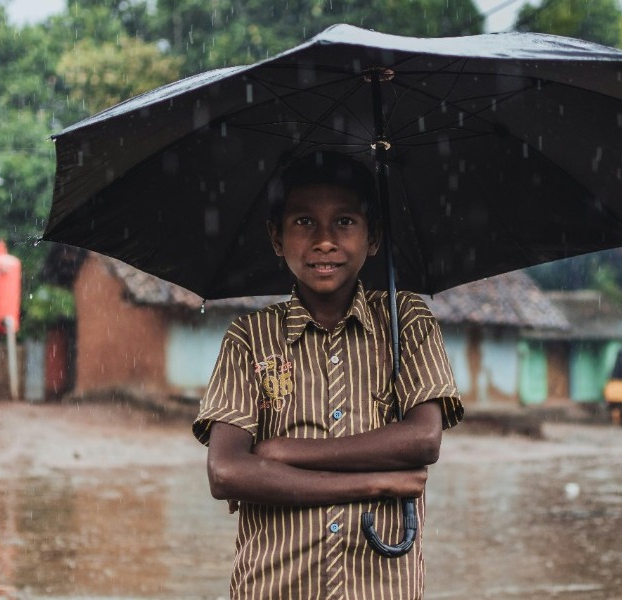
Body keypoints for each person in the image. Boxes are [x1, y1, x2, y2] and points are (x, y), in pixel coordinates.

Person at [193, 151, 463, 600]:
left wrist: (282, 451)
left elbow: (422, 440)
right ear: (276, 238)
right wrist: (373, 480)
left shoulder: (406, 321)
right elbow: (226, 472)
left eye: (345, 222)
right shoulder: (249, 336)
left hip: (382, 589)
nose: (324, 241)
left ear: (373, 236)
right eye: (303, 222)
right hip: (275, 586)